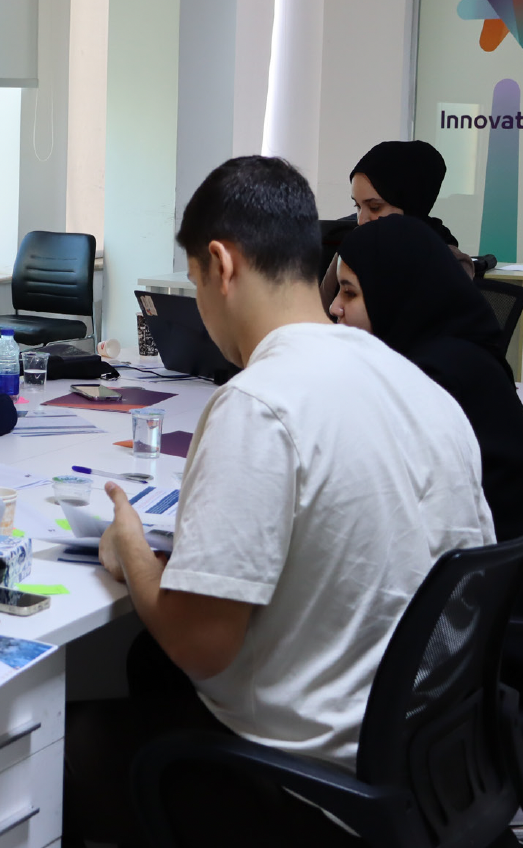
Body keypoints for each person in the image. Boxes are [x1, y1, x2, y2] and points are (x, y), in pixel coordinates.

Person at [64, 156, 494, 847]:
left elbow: (201, 645)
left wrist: (130, 548)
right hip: (426, 774)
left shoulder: (259, 404)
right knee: (145, 672)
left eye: (195, 283)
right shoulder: (417, 386)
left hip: (312, 790)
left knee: (63, 749)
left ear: (220, 265)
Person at [331, 213, 523, 542]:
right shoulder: (457, 352)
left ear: (392, 294)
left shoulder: (431, 378)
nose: (335, 307)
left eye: (349, 293)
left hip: (473, 565)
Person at [319, 139, 474, 312]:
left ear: (411, 206)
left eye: (375, 207)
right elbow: (317, 317)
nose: (361, 220)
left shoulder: (448, 262)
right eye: (358, 206)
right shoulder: (353, 247)